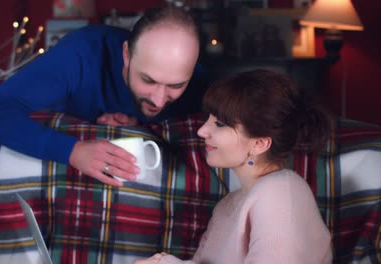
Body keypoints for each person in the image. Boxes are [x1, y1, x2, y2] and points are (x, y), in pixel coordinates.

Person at [0, 6, 204, 187]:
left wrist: (140, 126)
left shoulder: (201, 82)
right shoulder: (82, 52)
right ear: (126, 54)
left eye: (175, 85)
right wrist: (72, 151)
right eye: (148, 80)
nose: (159, 100)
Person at [134, 69, 333, 263]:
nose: (202, 131)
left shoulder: (279, 193)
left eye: (220, 124)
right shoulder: (230, 203)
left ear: (259, 143)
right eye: (208, 119)